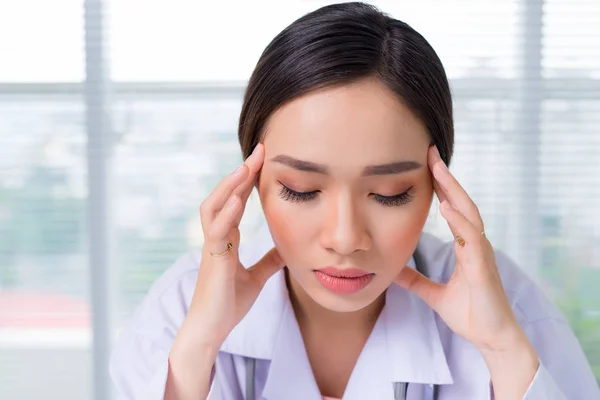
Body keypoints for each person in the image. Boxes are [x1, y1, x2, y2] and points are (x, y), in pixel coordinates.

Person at [109, 2, 600, 399]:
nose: (345, 238)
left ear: (439, 186)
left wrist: (503, 350)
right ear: (251, 180)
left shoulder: (509, 311)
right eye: (301, 190)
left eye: (390, 193)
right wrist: (199, 350)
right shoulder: (181, 311)